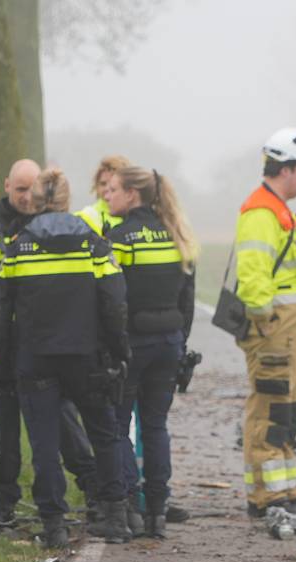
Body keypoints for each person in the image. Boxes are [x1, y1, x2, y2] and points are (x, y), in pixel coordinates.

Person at [0, 168, 131, 548]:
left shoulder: (18, 247)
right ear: (68, 200)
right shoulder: (93, 243)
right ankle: (115, 516)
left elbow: (3, 315)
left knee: (45, 445)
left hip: (35, 359)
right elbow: (114, 304)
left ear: (34, 200)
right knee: (104, 434)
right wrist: (120, 352)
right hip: (88, 357)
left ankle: (54, 525)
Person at [0, 159, 100, 528]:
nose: (26, 197)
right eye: (20, 190)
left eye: (31, 191)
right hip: (3, 340)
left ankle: (91, 485)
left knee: (63, 424)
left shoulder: (54, 231)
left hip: (42, 344)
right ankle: (4, 499)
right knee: (6, 430)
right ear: (7, 187)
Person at [234, 128, 296, 518]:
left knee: (286, 413)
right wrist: (266, 324)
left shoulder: (280, 210)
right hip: (275, 333)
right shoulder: (261, 212)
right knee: (270, 414)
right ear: (286, 169)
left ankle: (285, 489)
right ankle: (266, 496)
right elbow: (253, 277)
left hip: (291, 334)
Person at [104, 166, 197, 538]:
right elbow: (187, 300)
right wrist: (180, 341)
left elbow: (112, 300)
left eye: (114, 190)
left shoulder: (121, 237)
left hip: (132, 344)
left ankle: (130, 503)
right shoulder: (176, 235)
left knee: (118, 426)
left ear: (132, 195)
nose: (108, 196)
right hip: (170, 342)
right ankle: (158, 509)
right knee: (156, 425)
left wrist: (112, 346)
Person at [76, 155, 130, 236]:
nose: (108, 188)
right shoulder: (87, 215)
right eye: (103, 184)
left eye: (113, 183)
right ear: (96, 187)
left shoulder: (138, 215)